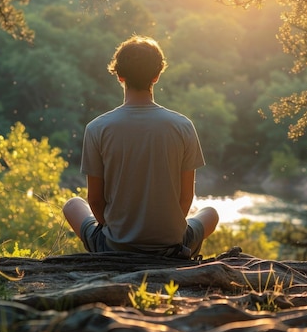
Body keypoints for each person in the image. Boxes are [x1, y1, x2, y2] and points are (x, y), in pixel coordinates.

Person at [62, 35, 218, 259]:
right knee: (210, 213)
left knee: (72, 205)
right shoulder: (183, 126)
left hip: (114, 248)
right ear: (156, 76)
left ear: (119, 75)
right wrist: (164, 234)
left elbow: (95, 200)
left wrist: (118, 233)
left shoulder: (97, 128)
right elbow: (186, 198)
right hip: (172, 246)